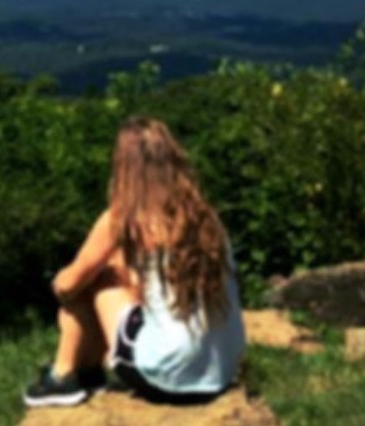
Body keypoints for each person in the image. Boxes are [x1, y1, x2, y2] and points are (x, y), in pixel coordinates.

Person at [23, 116, 246, 407]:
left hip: (166, 376)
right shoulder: (205, 218)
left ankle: (63, 376)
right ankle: (87, 370)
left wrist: (66, 283)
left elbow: (67, 286)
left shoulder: (123, 219)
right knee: (121, 271)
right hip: (221, 371)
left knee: (94, 280)